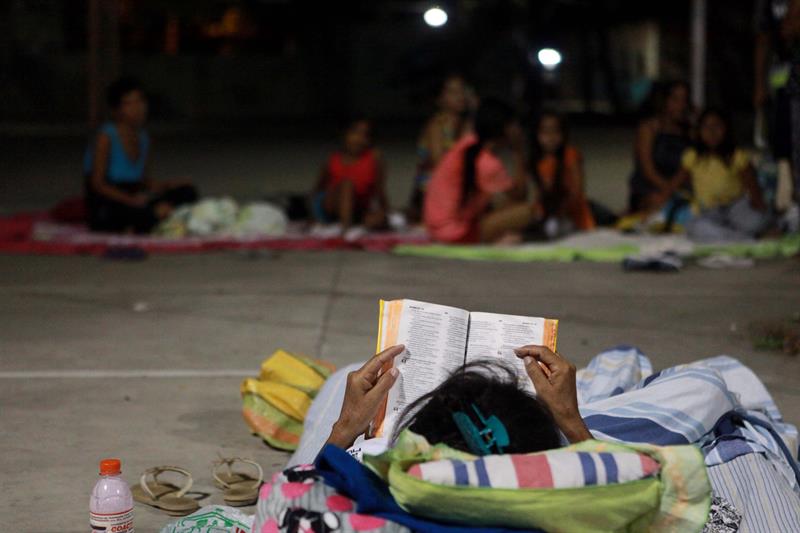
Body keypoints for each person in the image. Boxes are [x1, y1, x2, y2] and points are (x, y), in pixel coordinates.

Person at [324, 344, 591, 456]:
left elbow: (300, 487)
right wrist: (572, 424)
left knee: (339, 379)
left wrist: (345, 428)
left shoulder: (368, 494)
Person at [84, 77, 198, 233]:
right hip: (110, 200)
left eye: (141, 101)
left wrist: (167, 185)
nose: (138, 108)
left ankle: (155, 216)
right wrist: (130, 200)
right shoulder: (106, 137)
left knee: (187, 191)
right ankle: (152, 217)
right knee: (138, 213)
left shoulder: (143, 138)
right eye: (129, 103)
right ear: (116, 110)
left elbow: (142, 182)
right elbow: (97, 184)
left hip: (135, 197)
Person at [423, 98, 533, 244]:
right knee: (527, 211)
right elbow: (520, 196)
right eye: (515, 124)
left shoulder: (468, 143)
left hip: (438, 229)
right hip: (454, 234)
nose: (519, 130)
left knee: (501, 205)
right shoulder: (488, 164)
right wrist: (519, 153)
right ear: (505, 128)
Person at [679, 109, 771, 241]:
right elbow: (673, 184)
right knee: (695, 228)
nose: (712, 132)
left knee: (755, 222)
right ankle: (743, 239)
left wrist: (760, 212)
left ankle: (732, 235)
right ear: (699, 131)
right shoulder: (692, 156)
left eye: (717, 126)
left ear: (726, 129)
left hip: (737, 207)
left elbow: (754, 189)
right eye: (706, 127)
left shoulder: (736, 155)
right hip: (710, 211)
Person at [406, 74, 473, 223]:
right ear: (440, 99)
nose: (460, 96)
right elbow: (440, 165)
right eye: (453, 92)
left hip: (458, 188)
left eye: (462, 91)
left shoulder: (467, 125)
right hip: (434, 190)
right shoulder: (436, 126)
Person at [311, 116, 389, 234]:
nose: (359, 139)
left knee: (379, 220)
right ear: (344, 135)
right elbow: (317, 190)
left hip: (358, 208)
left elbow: (380, 192)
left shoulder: (374, 159)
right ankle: (345, 230)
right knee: (347, 185)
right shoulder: (332, 160)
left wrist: (385, 213)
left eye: (365, 135)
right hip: (330, 208)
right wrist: (313, 218)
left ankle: (350, 223)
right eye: (355, 133)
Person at [627, 81, 692, 213]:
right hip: (650, 189)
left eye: (684, 100)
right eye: (675, 99)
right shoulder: (648, 128)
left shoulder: (689, 131)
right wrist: (669, 190)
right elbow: (647, 170)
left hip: (678, 189)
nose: (681, 105)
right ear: (664, 101)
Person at [528, 112, 596, 239]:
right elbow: (540, 194)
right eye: (545, 132)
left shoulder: (570, 155)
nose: (551, 137)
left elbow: (577, 192)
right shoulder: (537, 161)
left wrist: (561, 210)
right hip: (549, 216)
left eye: (555, 132)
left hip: (574, 218)